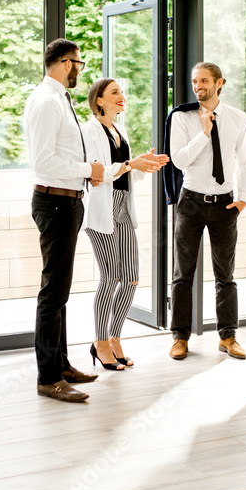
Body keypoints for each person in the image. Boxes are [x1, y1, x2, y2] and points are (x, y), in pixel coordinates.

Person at [24, 38, 105, 403]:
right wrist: (89, 169)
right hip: (55, 203)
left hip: (68, 202)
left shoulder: (59, 98)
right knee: (52, 294)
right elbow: (43, 162)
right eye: (78, 63)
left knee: (60, 293)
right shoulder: (46, 101)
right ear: (62, 62)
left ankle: (61, 364)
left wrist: (88, 173)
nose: (80, 70)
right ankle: (48, 378)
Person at [167, 62, 246, 361]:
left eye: (204, 81)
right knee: (183, 274)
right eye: (195, 81)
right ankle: (180, 337)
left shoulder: (237, 118)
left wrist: (243, 198)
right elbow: (178, 160)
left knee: (225, 275)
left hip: (224, 205)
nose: (198, 86)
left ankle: (228, 336)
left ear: (220, 83)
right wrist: (203, 133)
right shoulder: (181, 117)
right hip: (190, 202)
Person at [82, 78, 168, 371]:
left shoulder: (120, 130)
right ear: (99, 101)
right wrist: (132, 164)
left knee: (130, 277)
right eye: (115, 93)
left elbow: (123, 171)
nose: (122, 96)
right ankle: (100, 341)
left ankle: (115, 337)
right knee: (110, 277)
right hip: (101, 211)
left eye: (122, 92)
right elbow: (98, 173)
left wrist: (142, 163)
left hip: (123, 208)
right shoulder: (89, 131)